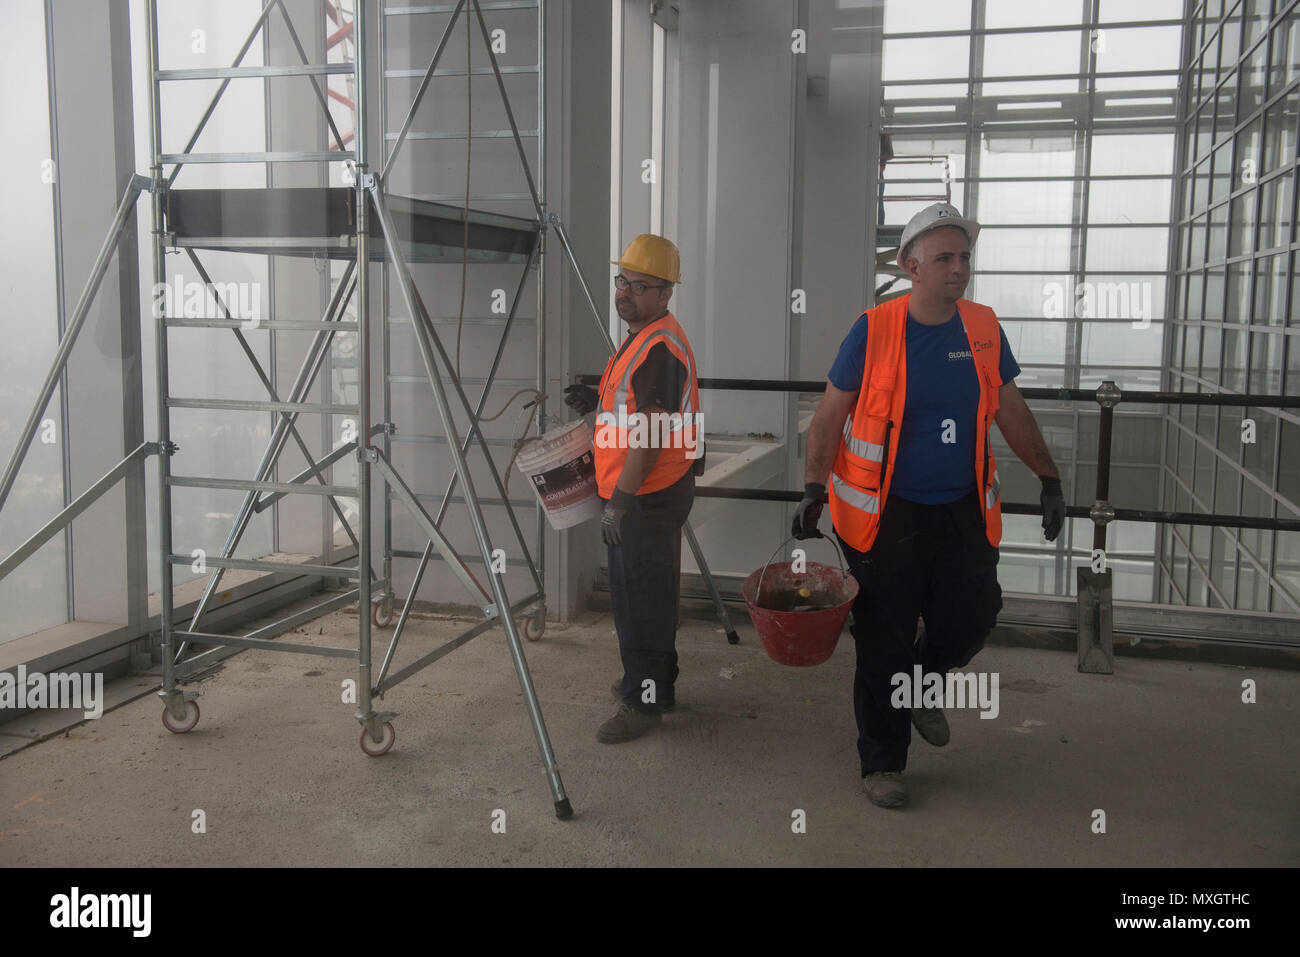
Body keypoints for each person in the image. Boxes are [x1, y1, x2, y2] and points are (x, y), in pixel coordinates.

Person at [791, 203, 1066, 808]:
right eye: (945, 257)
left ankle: (921, 686)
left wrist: (1049, 478)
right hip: (886, 515)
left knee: (974, 614)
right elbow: (830, 415)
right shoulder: (874, 329)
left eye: (964, 257)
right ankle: (883, 763)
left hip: (962, 508)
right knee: (882, 639)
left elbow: (1010, 409)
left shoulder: (984, 328)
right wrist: (813, 486)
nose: (959, 268)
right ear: (909, 265)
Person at [563, 234, 701, 744]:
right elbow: (630, 407)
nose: (625, 292)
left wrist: (618, 504)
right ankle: (652, 686)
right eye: (622, 280)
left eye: (640, 286)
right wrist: (596, 403)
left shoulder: (660, 347)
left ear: (665, 294)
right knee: (646, 593)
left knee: (638, 599)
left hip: (644, 495)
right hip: (646, 492)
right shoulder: (646, 334)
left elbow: (649, 434)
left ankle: (642, 704)